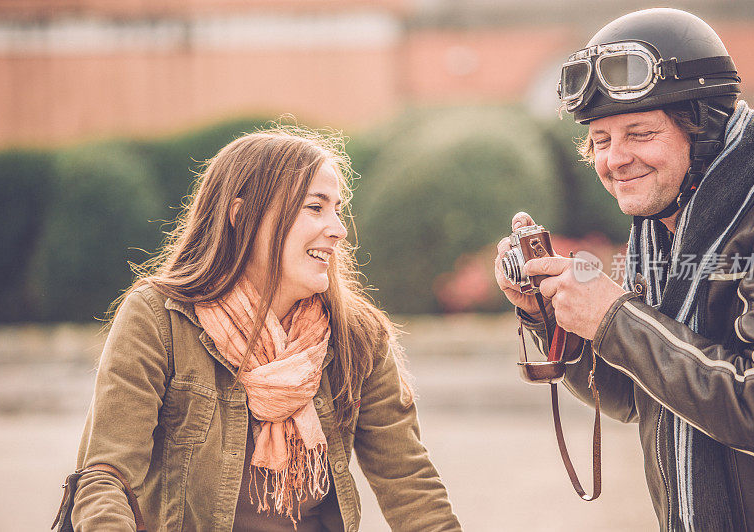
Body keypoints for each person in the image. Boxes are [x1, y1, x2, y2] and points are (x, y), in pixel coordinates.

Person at [69, 127, 462, 531]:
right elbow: (105, 477)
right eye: (314, 207)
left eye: (337, 210)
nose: (339, 229)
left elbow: (410, 484)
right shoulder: (158, 318)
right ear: (242, 215)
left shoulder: (357, 336)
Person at [495, 8, 754, 531]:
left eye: (639, 133)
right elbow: (632, 396)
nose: (615, 159)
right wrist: (554, 319)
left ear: (704, 130)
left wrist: (615, 316)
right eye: (603, 140)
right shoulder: (663, 220)